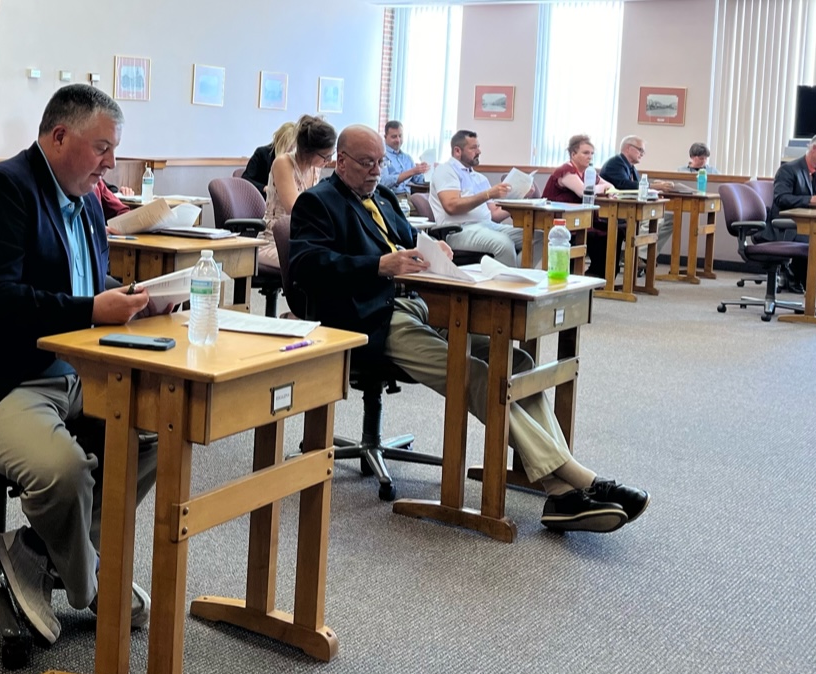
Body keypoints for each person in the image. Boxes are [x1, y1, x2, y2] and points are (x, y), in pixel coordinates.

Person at [289, 125, 649, 533]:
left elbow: (412, 241)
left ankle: (560, 492)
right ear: (341, 161)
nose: (375, 172)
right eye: (366, 163)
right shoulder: (316, 203)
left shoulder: (384, 198)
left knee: (515, 358)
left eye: (380, 163)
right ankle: (577, 481)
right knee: (473, 370)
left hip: (425, 305)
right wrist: (377, 266)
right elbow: (306, 266)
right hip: (369, 320)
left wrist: (437, 248)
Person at [0, 84, 159, 644]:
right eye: (102, 148)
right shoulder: (3, 191)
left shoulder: (88, 200)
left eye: (114, 149)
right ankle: (91, 584)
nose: (111, 162)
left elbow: (85, 285)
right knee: (63, 472)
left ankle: (35, 553)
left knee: (153, 434)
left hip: (69, 371)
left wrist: (137, 298)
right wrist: (90, 309)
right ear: (58, 136)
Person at [763, 133, 816, 289]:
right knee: (813, 241)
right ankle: (798, 279)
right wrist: (812, 199)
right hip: (790, 225)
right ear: (815, 149)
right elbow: (781, 199)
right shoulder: (789, 170)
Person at [428, 129, 523, 266]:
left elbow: (494, 214)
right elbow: (451, 206)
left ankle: (518, 277)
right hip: (459, 230)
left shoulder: (479, 177)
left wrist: (520, 198)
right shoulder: (445, 170)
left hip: (487, 226)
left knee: (538, 238)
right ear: (457, 151)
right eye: (473, 148)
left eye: (478, 147)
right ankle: (506, 285)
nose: (479, 151)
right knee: (504, 244)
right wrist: (488, 194)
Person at [256, 114, 336, 273]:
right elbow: (295, 209)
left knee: (336, 259)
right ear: (309, 151)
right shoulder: (283, 163)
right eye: (325, 156)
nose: (328, 161)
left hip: (302, 239)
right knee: (317, 265)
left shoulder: (315, 166)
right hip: (274, 241)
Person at [542, 134, 614, 277]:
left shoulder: (588, 172)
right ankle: (578, 274)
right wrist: (597, 188)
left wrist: (597, 188)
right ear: (573, 154)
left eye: (592, 153)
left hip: (578, 218)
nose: (590, 157)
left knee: (612, 231)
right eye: (585, 153)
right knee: (598, 234)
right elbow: (584, 192)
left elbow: (610, 186)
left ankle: (598, 275)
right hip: (558, 220)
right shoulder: (566, 170)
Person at [599, 135, 675, 264]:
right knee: (653, 218)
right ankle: (637, 257)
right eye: (640, 150)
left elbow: (640, 186)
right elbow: (624, 185)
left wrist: (654, 189)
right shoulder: (615, 163)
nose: (642, 154)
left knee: (668, 218)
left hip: (631, 208)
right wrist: (653, 186)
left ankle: (643, 256)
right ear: (628, 148)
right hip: (616, 210)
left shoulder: (631, 167)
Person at [241, 121, 297, 197]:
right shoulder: (262, 153)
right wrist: (264, 188)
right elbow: (245, 179)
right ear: (280, 141)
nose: (291, 150)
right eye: (290, 146)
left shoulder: (294, 159)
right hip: (263, 197)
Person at [379, 120, 429, 199]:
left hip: (409, 197)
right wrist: (412, 172)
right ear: (385, 137)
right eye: (394, 136)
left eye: (400, 136)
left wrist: (425, 170)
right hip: (391, 198)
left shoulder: (407, 158)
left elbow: (419, 181)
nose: (398, 140)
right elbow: (383, 182)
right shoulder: (381, 156)